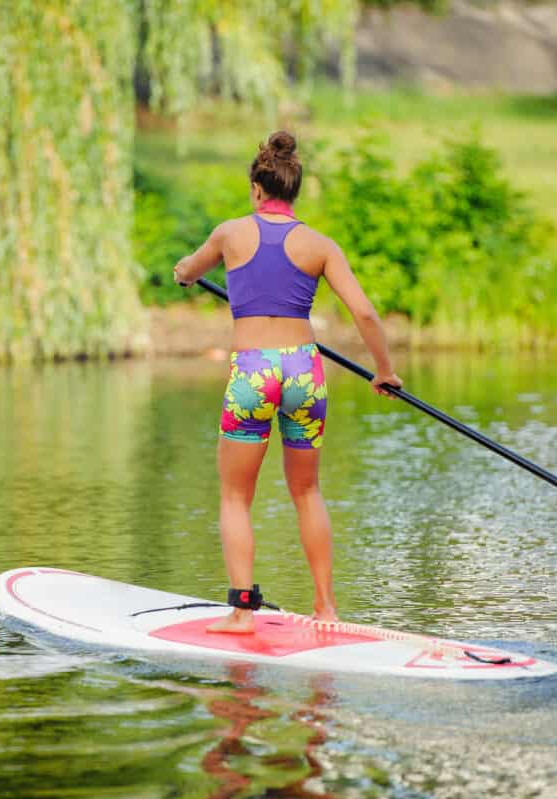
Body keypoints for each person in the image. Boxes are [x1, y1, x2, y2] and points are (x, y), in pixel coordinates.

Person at [172, 131, 402, 634]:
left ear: (257, 189)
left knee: (236, 497)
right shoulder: (320, 245)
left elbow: (189, 269)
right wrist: (384, 371)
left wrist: (185, 274)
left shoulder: (229, 234)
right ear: (292, 191)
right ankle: (326, 609)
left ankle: (241, 613)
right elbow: (363, 311)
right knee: (307, 492)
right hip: (304, 369)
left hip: (254, 370)